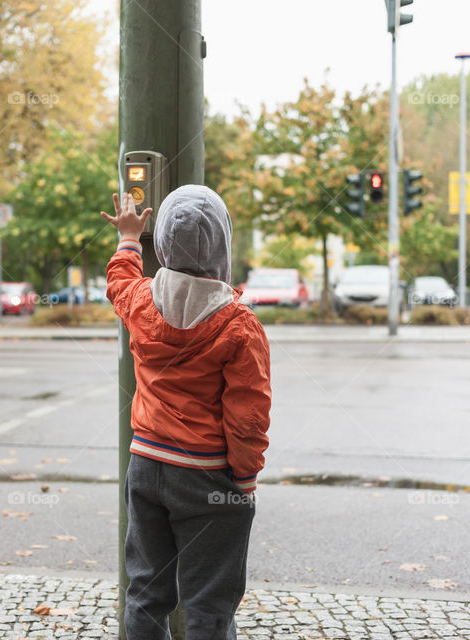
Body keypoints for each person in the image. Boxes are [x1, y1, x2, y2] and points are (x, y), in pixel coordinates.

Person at [100, 186, 271, 640]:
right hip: (207, 478)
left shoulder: (140, 301)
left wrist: (128, 238)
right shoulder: (239, 324)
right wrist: (244, 479)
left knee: (145, 594)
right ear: (223, 244)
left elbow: (118, 280)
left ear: (163, 247)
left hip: (146, 466)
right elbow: (248, 415)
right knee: (209, 606)